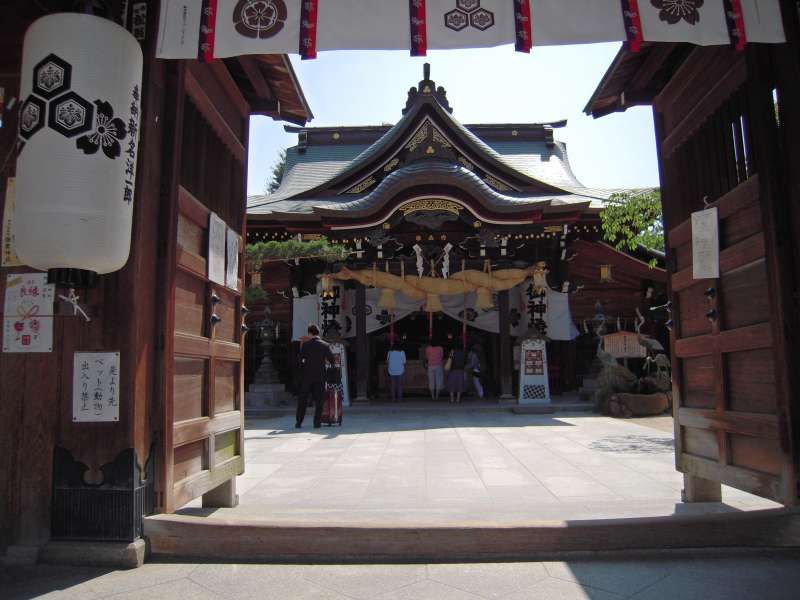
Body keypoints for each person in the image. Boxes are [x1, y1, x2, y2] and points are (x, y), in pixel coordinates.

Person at [296, 324, 335, 429]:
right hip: (320, 376)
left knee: (303, 399)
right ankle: (316, 423)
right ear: (318, 333)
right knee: (319, 400)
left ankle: (299, 422)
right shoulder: (325, 345)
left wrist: (304, 367)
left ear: (309, 333)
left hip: (307, 376)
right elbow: (332, 360)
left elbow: (300, 361)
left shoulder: (306, 345)